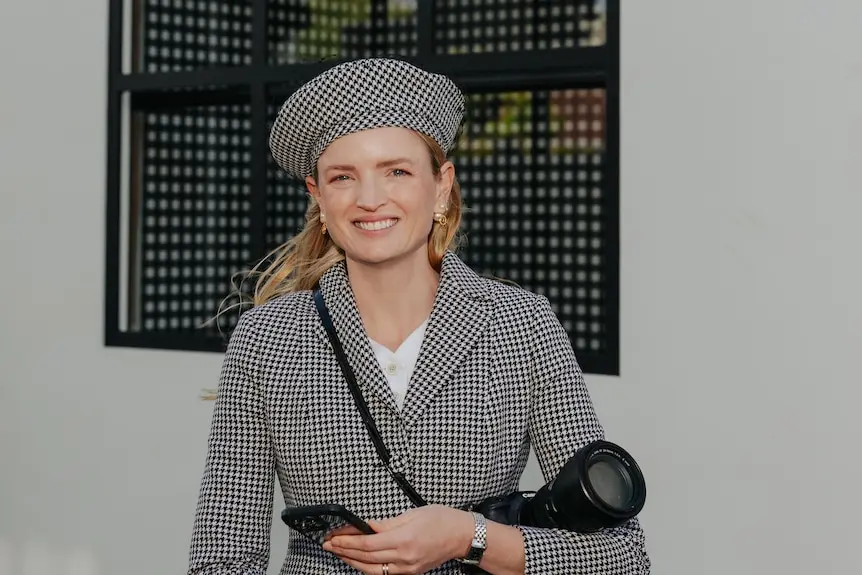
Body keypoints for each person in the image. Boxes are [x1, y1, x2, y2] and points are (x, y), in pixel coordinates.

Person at [187, 57, 650, 575]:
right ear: (317, 196)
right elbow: (222, 559)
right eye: (343, 177)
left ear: (441, 184)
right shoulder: (267, 338)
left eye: (397, 171)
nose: (369, 199)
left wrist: (467, 537)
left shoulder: (522, 325)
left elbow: (623, 557)